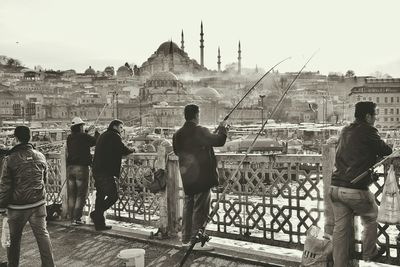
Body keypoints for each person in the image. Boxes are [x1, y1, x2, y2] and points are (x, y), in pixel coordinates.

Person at [329, 101, 392, 266]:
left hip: (335, 187)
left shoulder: (345, 130)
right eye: (374, 115)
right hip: (354, 188)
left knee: (340, 230)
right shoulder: (368, 131)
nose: (376, 118)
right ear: (368, 116)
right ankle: (370, 252)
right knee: (372, 216)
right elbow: (386, 151)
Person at [172, 104, 227, 250]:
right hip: (202, 176)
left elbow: (178, 152)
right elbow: (219, 141)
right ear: (197, 115)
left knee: (188, 207)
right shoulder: (200, 130)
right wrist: (222, 128)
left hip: (188, 177)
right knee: (200, 209)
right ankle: (197, 242)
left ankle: (186, 240)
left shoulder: (177, 134)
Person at [0, 126, 55, 267]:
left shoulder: (10, 159)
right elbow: (45, 179)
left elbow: (5, 186)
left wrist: (1, 206)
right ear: (29, 138)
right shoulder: (40, 156)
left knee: (14, 239)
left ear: (16, 138)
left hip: (17, 206)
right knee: (43, 235)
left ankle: (13, 264)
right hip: (38, 203)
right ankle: (49, 265)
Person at [91, 119, 134, 230]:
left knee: (100, 196)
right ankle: (97, 214)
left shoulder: (104, 135)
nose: (121, 130)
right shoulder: (114, 136)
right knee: (113, 196)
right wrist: (132, 149)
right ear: (115, 126)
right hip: (105, 171)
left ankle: (99, 224)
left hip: (97, 169)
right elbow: (123, 149)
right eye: (121, 127)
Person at [66, 117, 98, 226]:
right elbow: (95, 141)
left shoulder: (70, 138)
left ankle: (71, 217)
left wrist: (86, 132)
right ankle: (77, 219)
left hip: (70, 168)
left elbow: (80, 138)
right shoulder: (84, 137)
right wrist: (96, 131)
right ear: (80, 127)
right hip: (81, 168)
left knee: (72, 194)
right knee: (80, 194)